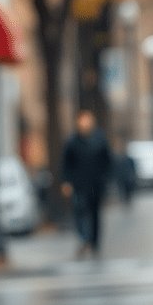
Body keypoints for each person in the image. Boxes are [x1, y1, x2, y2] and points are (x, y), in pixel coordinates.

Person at [61, 110, 112, 257]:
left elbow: (107, 161)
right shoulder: (72, 141)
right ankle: (84, 239)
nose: (85, 123)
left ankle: (94, 243)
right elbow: (66, 163)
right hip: (79, 184)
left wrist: (105, 179)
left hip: (96, 184)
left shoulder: (100, 140)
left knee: (95, 215)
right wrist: (66, 181)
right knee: (80, 213)